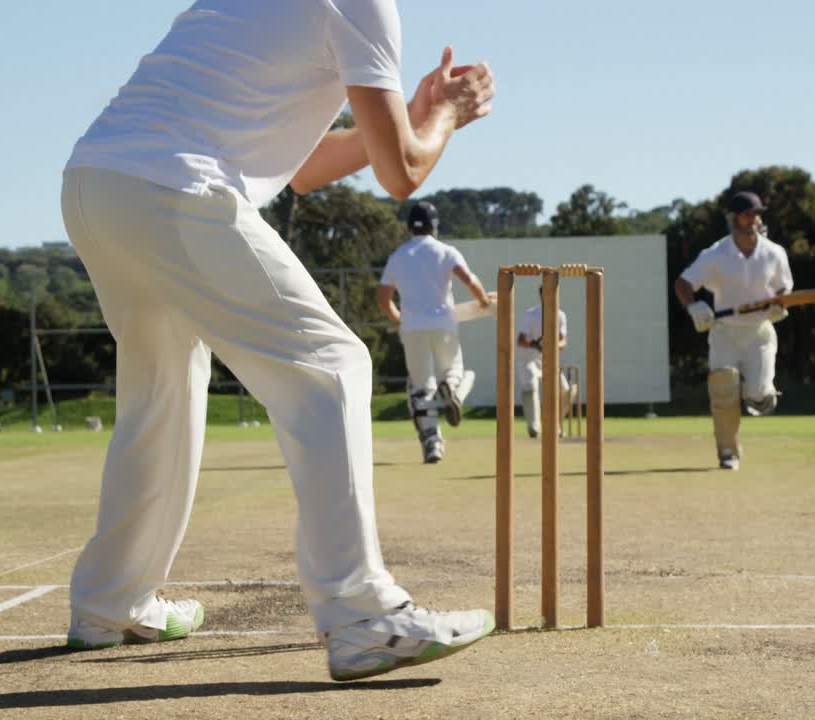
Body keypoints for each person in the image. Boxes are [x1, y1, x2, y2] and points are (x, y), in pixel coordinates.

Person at [59, 0, 497, 682]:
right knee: (331, 366)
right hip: (175, 185)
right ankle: (363, 617)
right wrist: (447, 116)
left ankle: (109, 605)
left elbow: (306, 168)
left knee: (163, 387)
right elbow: (402, 174)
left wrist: (413, 114)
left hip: (98, 181)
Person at [673, 191, 792, 471]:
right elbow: (683, 284)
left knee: (758, 394)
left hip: (760, 333)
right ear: (734, 218)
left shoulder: (774, 253)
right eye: (748, 214)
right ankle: (728, 452)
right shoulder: (716, 254)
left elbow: (784, 288)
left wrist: (779, 305)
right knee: (724, 392)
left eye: (757, 214)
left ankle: (763, 394)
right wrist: (693, 307)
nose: (754, 219)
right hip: (725, 332)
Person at [377, 201, 491, 463]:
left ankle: (433, 445)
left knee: (420, 388)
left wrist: (397, 319)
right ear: (434, 226)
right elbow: (469, 280)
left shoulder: (399, 255)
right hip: (444, 324)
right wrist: (484, 302)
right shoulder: (446, 251)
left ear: (409, 228)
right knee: (456, 371)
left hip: (413, 327)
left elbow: (383, 297)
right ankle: (451, 388)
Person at [516, 289, 570, 438]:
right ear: (541, 295)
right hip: (528, 359)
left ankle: (554, 425)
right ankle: (534, 427)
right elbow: (520, 340)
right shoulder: (531, 314)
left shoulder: (560, 315)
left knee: (565, 390)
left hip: (548, 359)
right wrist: (536, 344)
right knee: (530, 386)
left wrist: (551, 345)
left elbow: (563, 341)